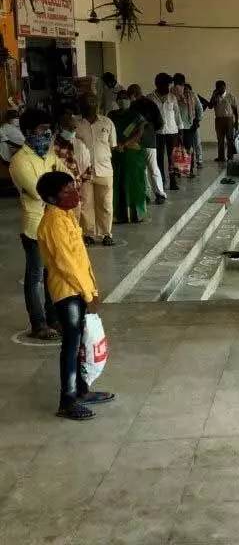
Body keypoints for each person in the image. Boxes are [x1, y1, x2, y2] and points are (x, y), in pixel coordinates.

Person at [35, 170, 115, 421]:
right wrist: (86, 293)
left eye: (73, 188)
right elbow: (65, 263)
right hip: (67, 292)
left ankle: (81, 390)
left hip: (80, 288)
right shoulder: (53, 223)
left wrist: (92, 290)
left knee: (80, 342)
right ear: (51, 197)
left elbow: (81, 259)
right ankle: (67, 401)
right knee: (71, 345)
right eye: (67, 191)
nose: (74, 194)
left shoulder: (66, 216)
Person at [9, 109, 68, 340]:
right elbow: (38, 191)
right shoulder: (19, 161)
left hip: (54, 222)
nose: (47, 134)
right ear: (27, 132)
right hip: (34, 226)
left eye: (48, 130)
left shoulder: (49, 154)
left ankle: (53, 318)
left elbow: (67, 176)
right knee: (35, 276)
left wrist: (60, 188)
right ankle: (38, 323)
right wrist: (58, 189)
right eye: (42, 130)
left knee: (51, 273)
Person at [76, 92, 117, 246]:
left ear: (98, 103)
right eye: (87, 101)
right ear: (81, 104)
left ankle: (106, 233)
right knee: (86, 204)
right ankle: (88, 234)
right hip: (84, 171)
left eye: (94, 100)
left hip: (104, 170)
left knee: (105, 203)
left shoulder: (107, 123)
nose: (91, 104)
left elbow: (112, 146)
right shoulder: (77, 125)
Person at [108, 90, 148, 223]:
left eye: (125, 97)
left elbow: (139, 133)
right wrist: (116, 145)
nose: (122, 100)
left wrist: (124, 144)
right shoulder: (112, 115)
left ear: (130, 100)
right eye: (120, 98)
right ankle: (120, 215)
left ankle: (137, 214)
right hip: (116, 154)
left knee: (134, 183)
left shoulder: (136, 116)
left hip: (132, 153)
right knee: (118, 183)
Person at [127, 84, 166, 205]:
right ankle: (160, 193)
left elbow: (131, 125)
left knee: (142, 169)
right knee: (153, 168)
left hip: (137, 142)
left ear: (133, 95)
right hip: (150, 140)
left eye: (129, 96)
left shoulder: (133, 107)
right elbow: (160, 122)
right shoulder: (151, 104)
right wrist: (151, 130)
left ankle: (146, 194)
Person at [52, 110, 93, 224]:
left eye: (73, 128)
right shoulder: (52, 145)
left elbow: (87, 169)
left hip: (75, 192)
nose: (72, 131)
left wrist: (78, 183)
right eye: (68, 128)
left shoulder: (79, 144)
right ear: (60, 127)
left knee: (74, 223)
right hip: (57, 193)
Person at [149, 73, 183, 191]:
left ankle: (173, 181)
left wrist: (180, 130)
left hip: (172, 132)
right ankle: (162, 181)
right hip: (157, 133)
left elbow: (177, 115)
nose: (168, 88)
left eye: (169, 86)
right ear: (158, 85)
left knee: (172, 158)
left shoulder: (172, 97)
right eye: (166, 86)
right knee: (159, 158)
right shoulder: (150, 98)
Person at [172, 74, 204, 177]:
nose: (177, 86)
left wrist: (197, 121)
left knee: (188, 148)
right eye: (175, 83)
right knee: (176, 149)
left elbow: (199, 109)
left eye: (179, 83)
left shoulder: (192, 95)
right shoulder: (171, 94)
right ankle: (177, 169)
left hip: (189, 126)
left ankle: (189, 170)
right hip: (175, 127)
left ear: (183, 83)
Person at [210, 80, 239, 162]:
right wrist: (213, 95)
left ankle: (230, 157)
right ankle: (221, 157)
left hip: (229, 119)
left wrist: (236, 121)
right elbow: (210, 106)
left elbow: (235, 110)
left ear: (224, 87)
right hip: (218, 120)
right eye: (217, 88)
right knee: (220, 139)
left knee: (230, 139)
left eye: (220, 87)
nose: (219, 89)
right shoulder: (216, 97)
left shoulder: (230, 96)